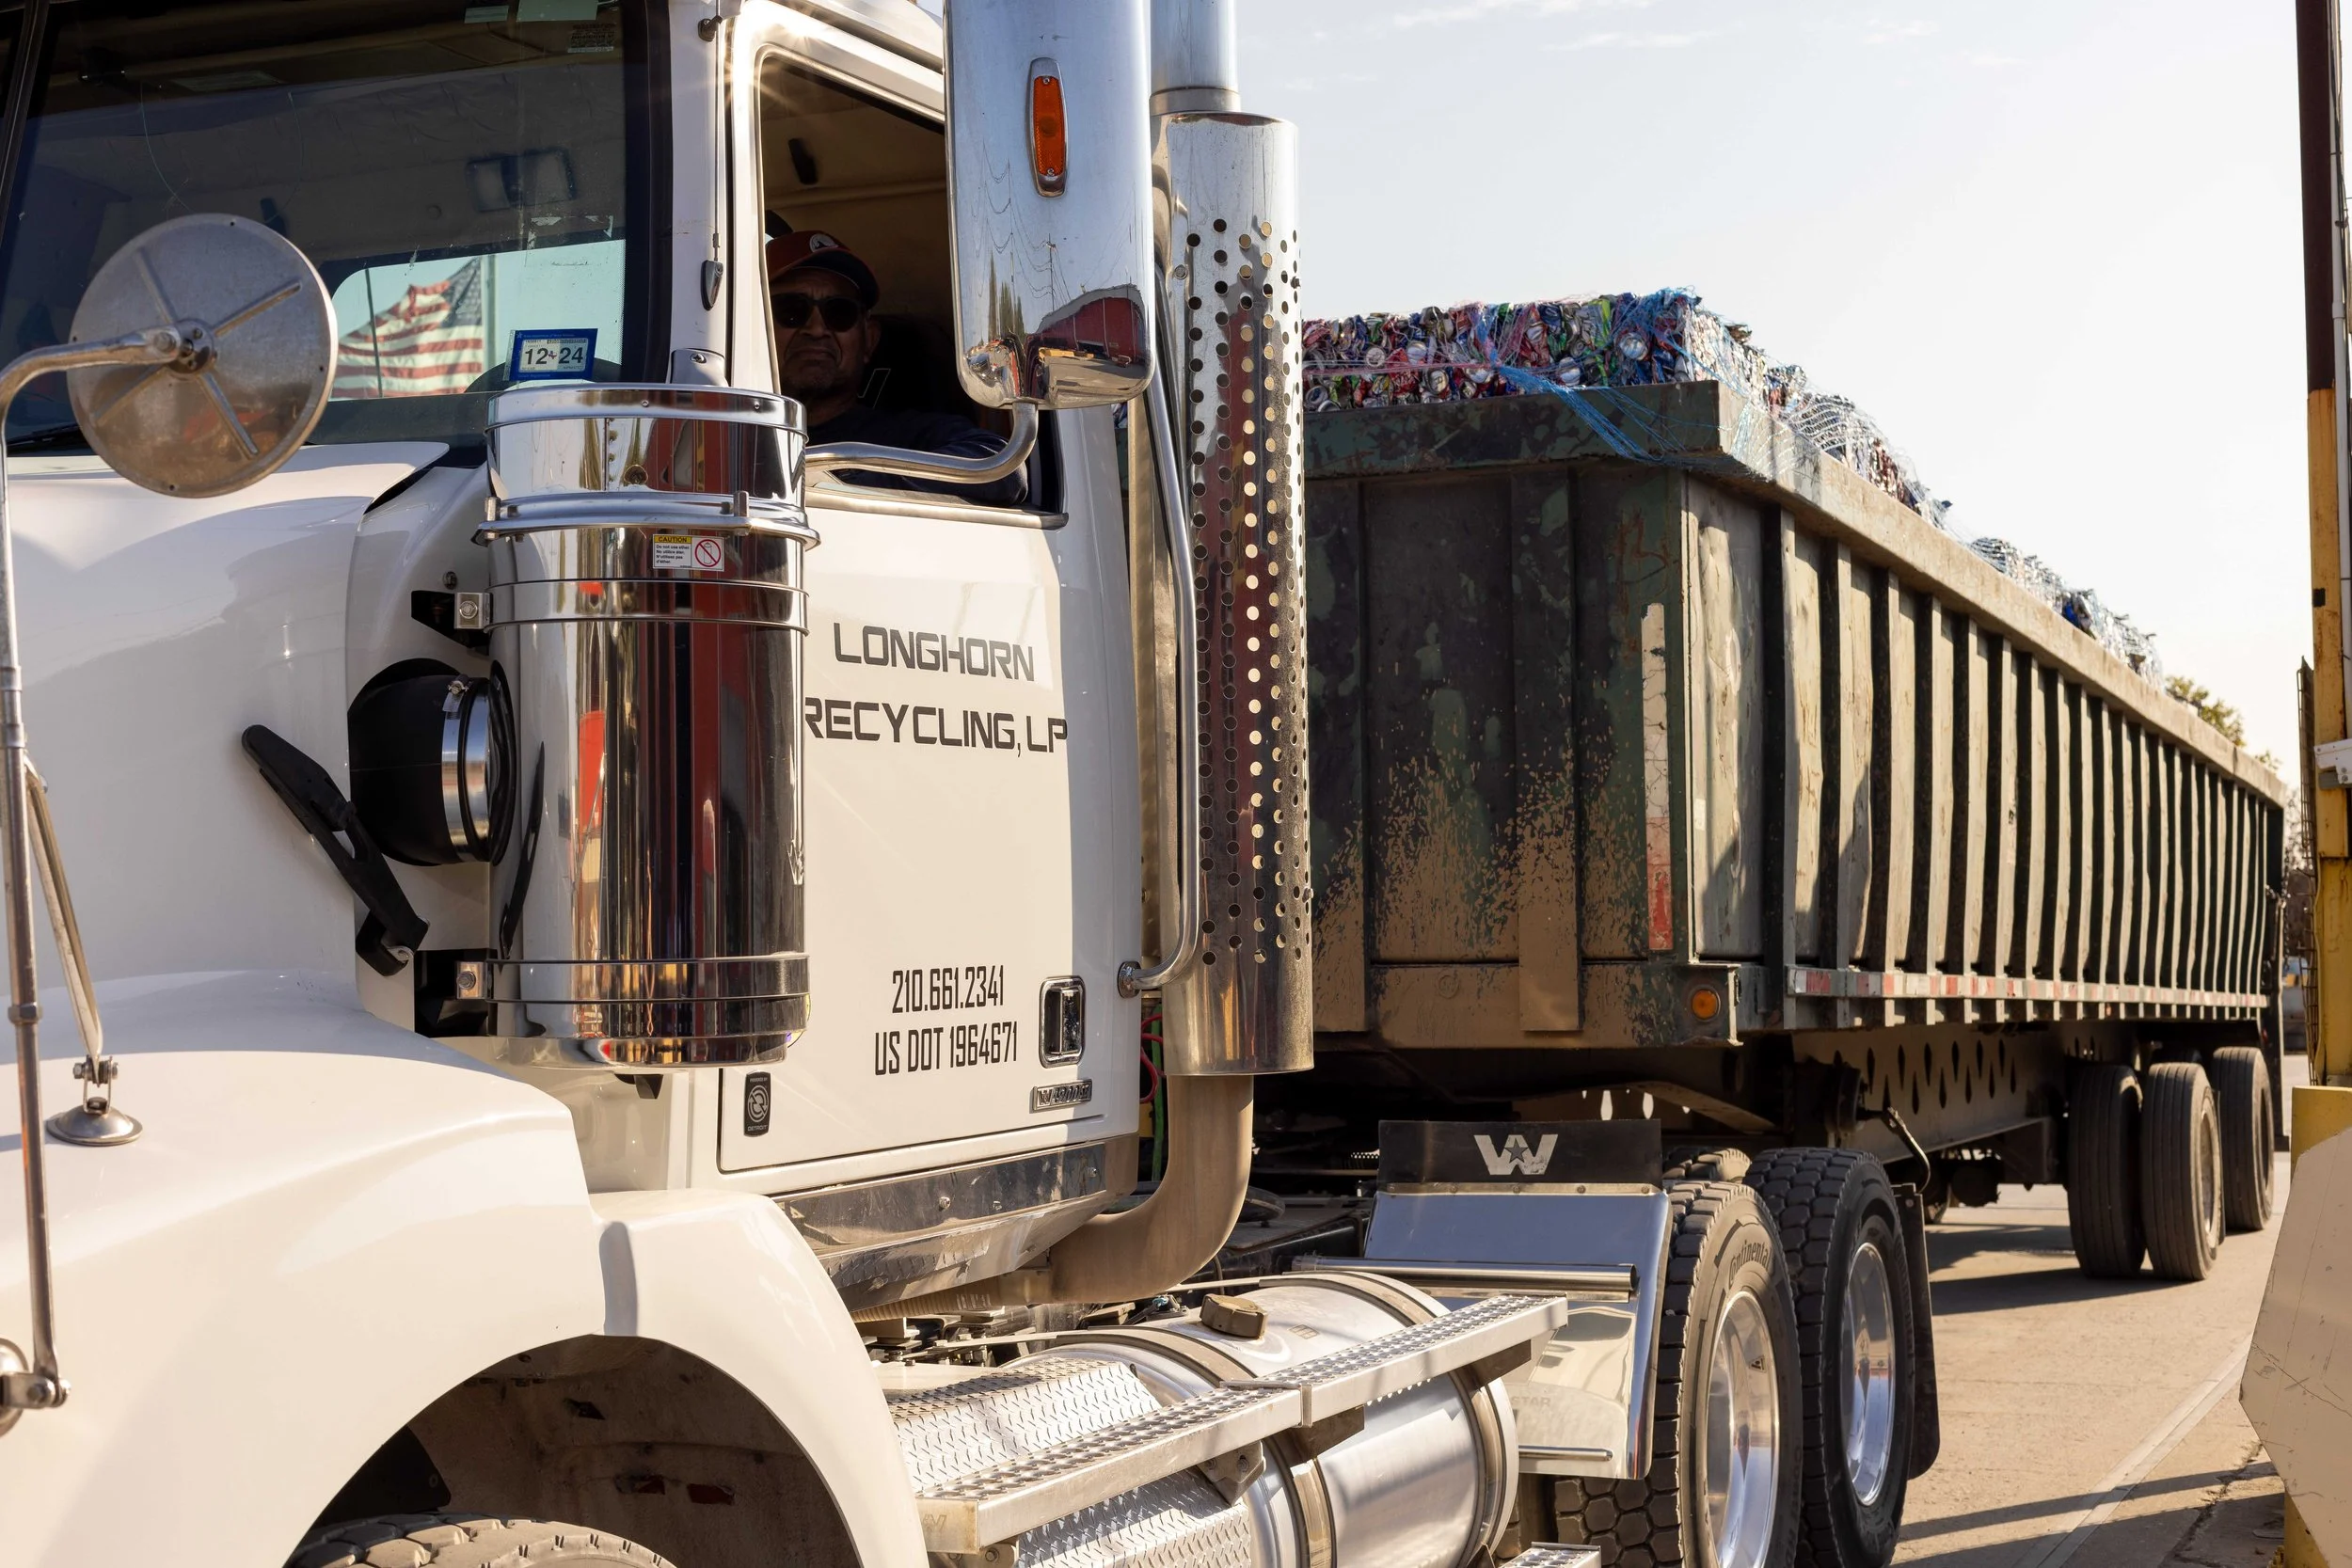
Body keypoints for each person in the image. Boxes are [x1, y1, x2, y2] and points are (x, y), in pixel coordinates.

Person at [768, 230, 1026, 505]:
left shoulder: (907, 437)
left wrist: (838, 483)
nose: (817, 329)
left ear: (869, 341)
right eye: (791, 310)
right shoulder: (734, 435)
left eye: (839, 313)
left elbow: (1000, 468)